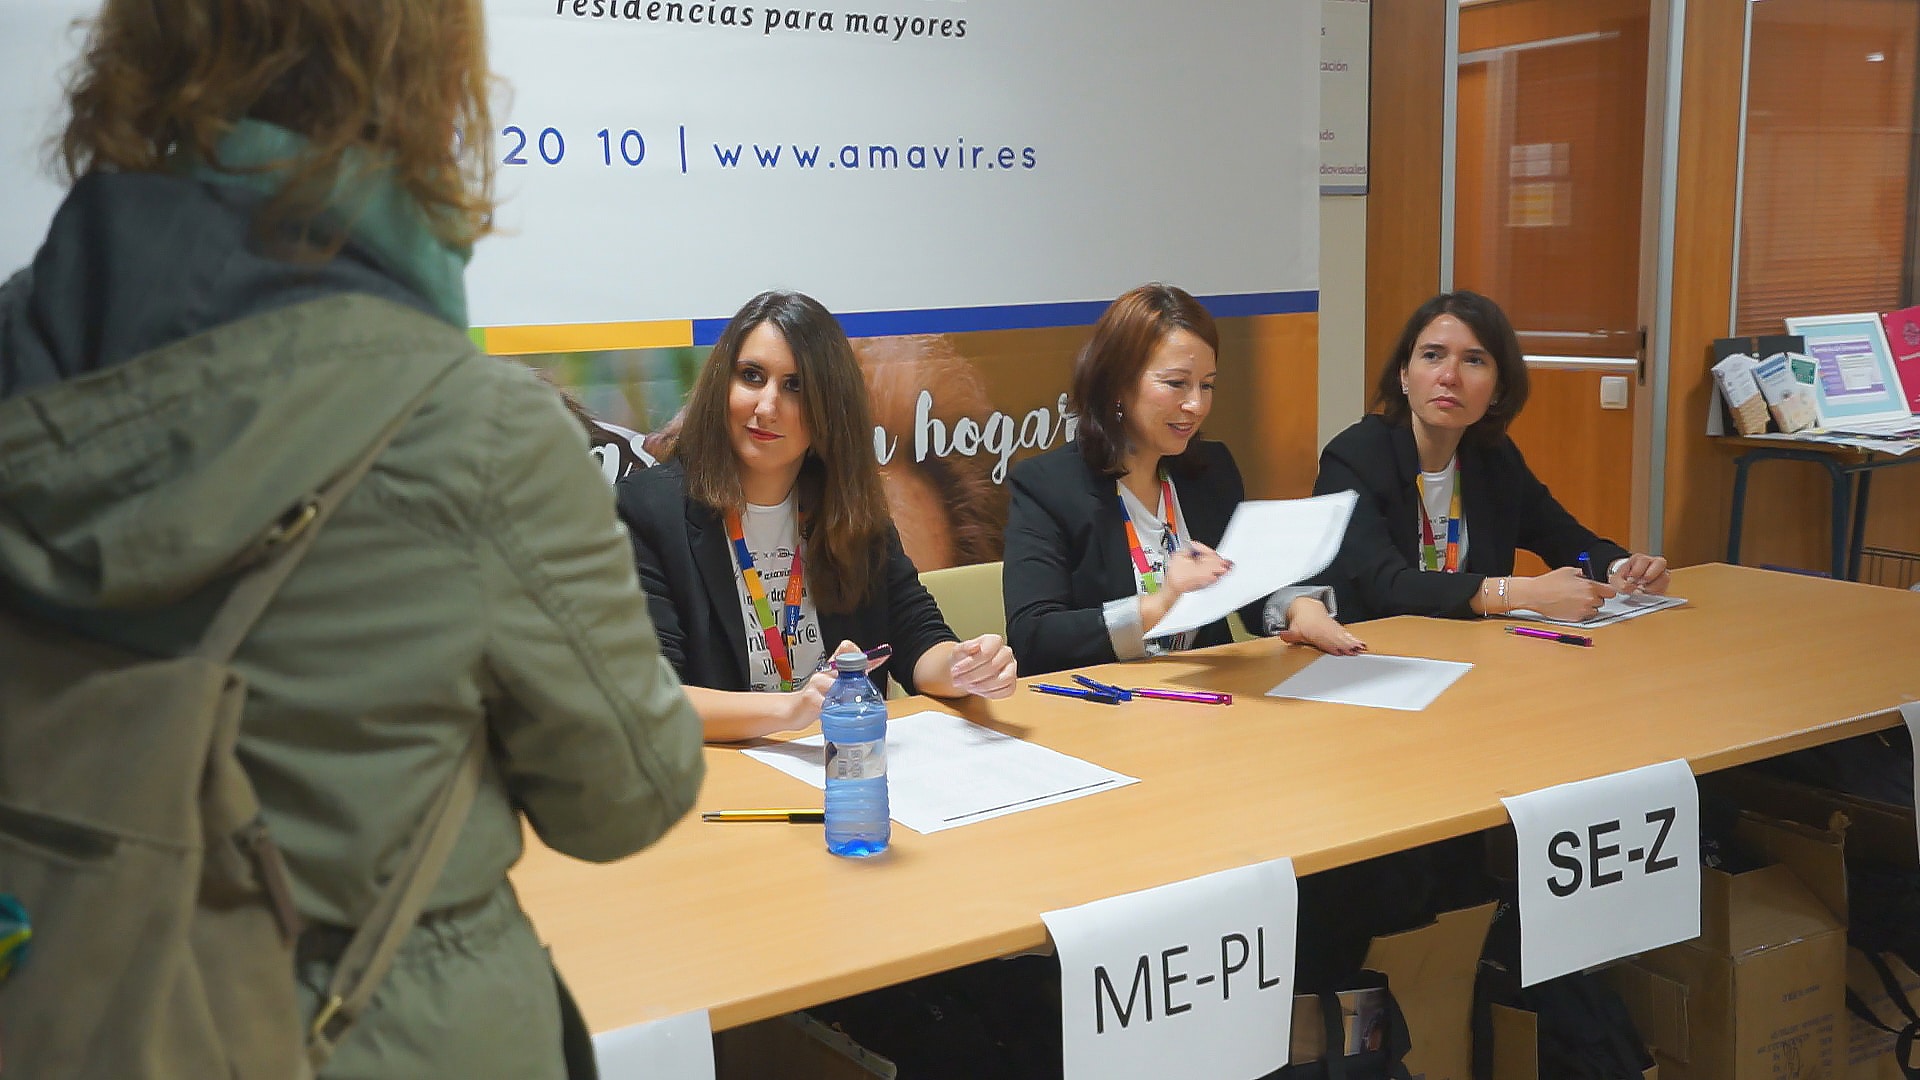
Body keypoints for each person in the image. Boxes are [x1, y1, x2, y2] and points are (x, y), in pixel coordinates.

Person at [0, 3, 705, 1077]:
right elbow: (628, 797)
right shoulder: (475, 430)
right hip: (372, 1030)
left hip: (65, 1000)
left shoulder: (19, 346)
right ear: (428, 84)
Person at [615, 290, 1019, 742]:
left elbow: (918, 639)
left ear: (830, 407)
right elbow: (653, 696)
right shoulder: (649, 509)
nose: (766, 407)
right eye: (751, 377)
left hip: (840, 762)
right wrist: (792, 708)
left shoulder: (848, 505)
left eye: (795, 386)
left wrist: (966, 667)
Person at [1003, 282, 1361, 676]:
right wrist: (1161, 603)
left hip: (1208, 692)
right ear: (1117, 384)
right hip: (1108, 699)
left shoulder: (1211, 470)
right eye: (1176, 383)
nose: (1196, 404)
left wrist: (1298, 608)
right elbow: (1034, 637)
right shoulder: (1047, 486)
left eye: (1207, 385)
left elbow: (1243, 586)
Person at [1315, 290, 1671, 623]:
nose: (1449, 376)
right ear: (1404, 375)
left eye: (1473, 360)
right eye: (1432, 356)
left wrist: (1619, 568)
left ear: (1498, 389)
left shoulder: (1492, 458)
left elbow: (1566, 541)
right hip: (1370, 649)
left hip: (1468, 648)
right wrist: (1520, 594)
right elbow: (1385, 587)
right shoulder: (1354, 458)